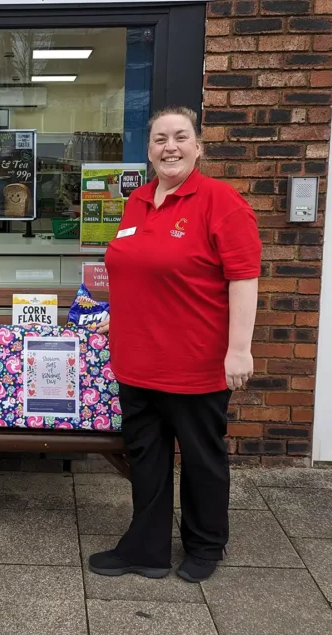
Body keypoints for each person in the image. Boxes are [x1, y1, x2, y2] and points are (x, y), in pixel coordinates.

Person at [89, 106, 261, 583]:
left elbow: (243, 278)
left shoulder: (221, 202)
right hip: (136, 359)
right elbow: (135, 271)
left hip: (195, 362)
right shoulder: (137, 201)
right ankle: (146, 547)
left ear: (198, 146)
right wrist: (115, 318)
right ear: (148, 150)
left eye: (181, 137)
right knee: (146, 457)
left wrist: (239, 349)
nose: (170, 147)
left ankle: (205, 546)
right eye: (160, 138)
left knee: (202, 458)